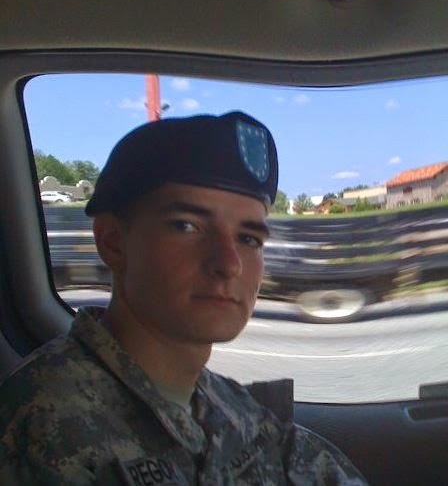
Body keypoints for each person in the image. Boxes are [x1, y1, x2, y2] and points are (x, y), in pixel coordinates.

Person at [0, 111, 367, 485]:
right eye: (187, 226)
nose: (229, 264)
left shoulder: (222, 402)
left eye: (249, 238)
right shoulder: (41, 429)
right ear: (113, 243)